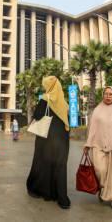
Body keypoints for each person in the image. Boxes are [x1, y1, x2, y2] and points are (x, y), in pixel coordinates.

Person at [27, 76, 71, 209]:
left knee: (42, 163)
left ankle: (39, 190)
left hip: (46, 138)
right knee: (60, 165)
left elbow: (37, 116)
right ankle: (62, 198)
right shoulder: (64, 103)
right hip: (62, 138)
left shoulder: (46, 99)